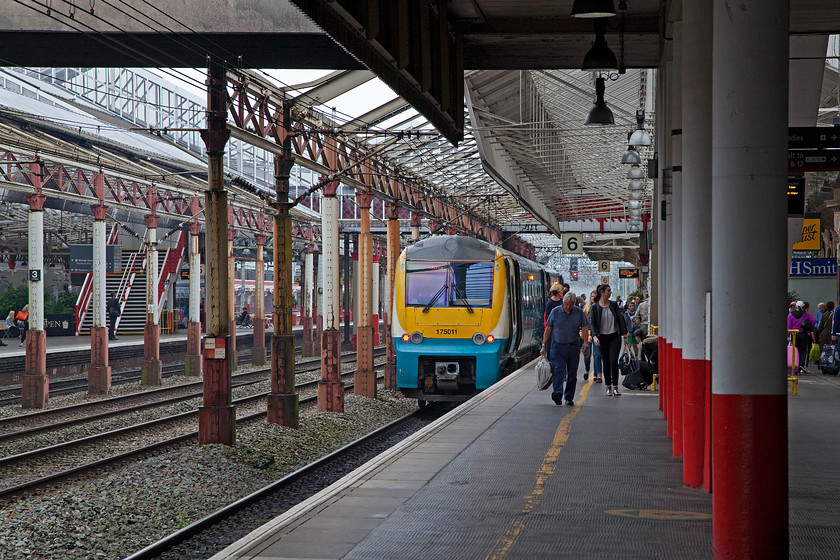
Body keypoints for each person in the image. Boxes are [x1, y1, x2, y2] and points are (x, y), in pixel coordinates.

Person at [541, 292, 590, 406]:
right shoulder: (555, 312)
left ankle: (569, 396)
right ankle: (558, 393)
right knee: (558, 370)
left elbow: (584, 328)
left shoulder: (578, 312)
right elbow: (548, 329)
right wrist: (544, 345)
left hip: (573, 347)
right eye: (566, 304)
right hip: (557, 346)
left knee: (572, 373)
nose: (568, 307)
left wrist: (586, 343)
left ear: (574, 304)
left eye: (571, 304)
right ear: (563, 302)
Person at [589, 284, 628, 396]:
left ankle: (615, 386)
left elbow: (620, 319)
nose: (610, 292)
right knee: (605, 362)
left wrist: (624, 335)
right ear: (602, 292)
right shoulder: (595, 307)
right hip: (602, 337)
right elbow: (592, 323)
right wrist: (595, 336)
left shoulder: (614, 305)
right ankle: (608, 387)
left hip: (614, 336)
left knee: (613, 361)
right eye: (608, 290)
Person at [582, 290, 603, 383]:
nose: (593, 298)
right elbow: (584, 323)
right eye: (592, 296)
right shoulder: (586, 309)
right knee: (587, 355)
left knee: (597, 355)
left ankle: (597, 375)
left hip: (597, 335)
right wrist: (587, 334)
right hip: (587, 334)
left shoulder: (601, 308)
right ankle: (587, 370)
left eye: (595, 296)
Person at [787, 300, 811, 374]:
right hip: (803, 334)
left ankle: (794, 365)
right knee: (803, 350)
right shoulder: (805, 314)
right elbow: (813, 321)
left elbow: (788, 325)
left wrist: (788, 335)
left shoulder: (790, 315)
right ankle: (801, 365)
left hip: (794, 335)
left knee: (794, 350)